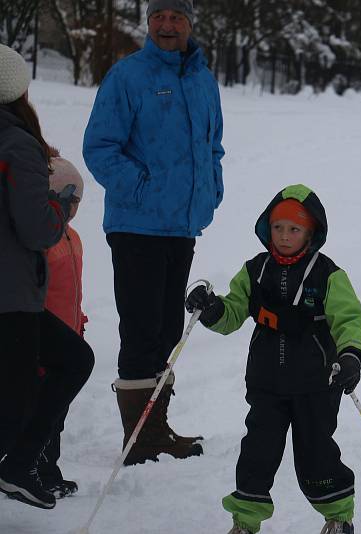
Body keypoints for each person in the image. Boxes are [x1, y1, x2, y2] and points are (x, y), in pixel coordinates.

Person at [82, 0, 224, 465]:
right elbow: (100, 147)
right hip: (137, 225)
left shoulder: (203, 81)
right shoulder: (128, 77)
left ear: (189, 23)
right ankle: (139, 436)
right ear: (148, 23)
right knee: (142, 328)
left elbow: (213, 145)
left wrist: (211, 191)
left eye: (177, 16)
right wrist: (142, 189)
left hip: (181, 226)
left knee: (166, 330)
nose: (167, 25)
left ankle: (155, 427)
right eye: (159, 16)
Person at [185, 185, 361, 534]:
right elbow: (233, 313)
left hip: (316, 382)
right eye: (278, 227)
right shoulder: (255, 270)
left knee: (316, 454)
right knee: (257, 451)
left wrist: (350, 357)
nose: (284, 236)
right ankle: (245, 523)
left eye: (294, 229)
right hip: (267, 381)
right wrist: (211, 308)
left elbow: (349, 320)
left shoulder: (327, 274)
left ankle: (338, 517)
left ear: (310, 233)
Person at [0, 44, 94, 510]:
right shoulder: (16, 143)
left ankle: (23, 466)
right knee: (16, 404)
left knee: (71, 361)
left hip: (21, 298)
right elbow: (37, 229)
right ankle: (18, 465)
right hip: (11, 296)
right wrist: (56, 205)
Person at [36, 157, 89, 499]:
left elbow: (72, 291)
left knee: (58, 414)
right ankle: (33, 468)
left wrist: (78, 321)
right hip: (42, 344)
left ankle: (47, 468)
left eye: (77, 204)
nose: (73, 210)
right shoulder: (39, 240)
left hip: (69, 336)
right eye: (70, 202)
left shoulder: (74, 238)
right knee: (40, 411)